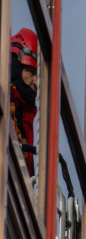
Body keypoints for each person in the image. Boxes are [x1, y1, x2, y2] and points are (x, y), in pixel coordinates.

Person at [9, 28, 39, 176]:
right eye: (31, 72)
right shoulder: (5, 102)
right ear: (16, 67)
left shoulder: (26, 117)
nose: (36, 82)